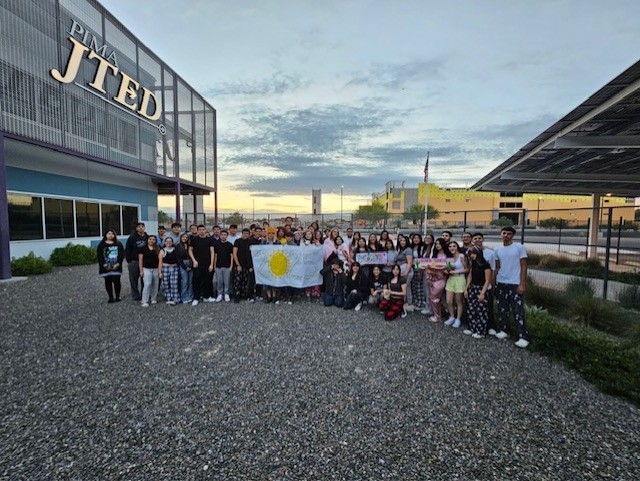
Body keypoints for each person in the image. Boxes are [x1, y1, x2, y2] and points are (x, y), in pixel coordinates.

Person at [494, 226, 530, 348]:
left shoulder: (519, 248)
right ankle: (504, 330)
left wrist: (522, 283)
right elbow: (497, 267)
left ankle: (523, 336)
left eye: (509, 234)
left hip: (515, 283)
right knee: (502, 309)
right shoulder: (497, 249)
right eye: (504, 233)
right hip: (501, 282)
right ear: (501, 234)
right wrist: (494, 282)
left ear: (513, 236)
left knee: (518, 311)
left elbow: (524, 266)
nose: (506, 235)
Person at [464, 245, 492, 338]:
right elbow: (470, 276)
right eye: (470, 254)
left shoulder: (486, 265)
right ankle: (472, 328)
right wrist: (466, 289)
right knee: (471, 309)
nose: (472, 256)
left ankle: (481, 331)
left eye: (473, 253)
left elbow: (488, 280)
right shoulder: (473, 264)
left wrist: (482, 293)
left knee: (481, 311)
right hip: (472, 288)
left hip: (481, 288)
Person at [472, 232, 497, 335]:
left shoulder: (490, 253)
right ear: (472, 241)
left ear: (483, 239)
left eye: (479, 238)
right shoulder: (471, 253)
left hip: (487, 285)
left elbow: (493, 270)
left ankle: (491, 326)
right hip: (475, 285)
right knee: (475, 307)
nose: (478, 240)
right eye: (475, 239)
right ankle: (475, 326)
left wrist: (492, 285)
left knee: (488, 307)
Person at [444, 240, 469, 328]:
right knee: (449, 301)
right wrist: (447, 271)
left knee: (458, 301)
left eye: (454, 246)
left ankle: (458, 319)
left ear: (457, 247)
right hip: (451, 279)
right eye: (450, 247)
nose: (452, 248)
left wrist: (456, 271)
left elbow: (467, 269)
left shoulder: (461, 256)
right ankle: (452, 316)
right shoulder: (449, 257)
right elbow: (447, 269)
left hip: (460, 279)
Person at [188, 224, 215, 306]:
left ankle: (207, 297)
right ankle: (196, 298)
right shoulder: (194, 240)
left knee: (208, 281)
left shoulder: (209, 240)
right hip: (197, 264)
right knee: (196, 281)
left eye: (203, 229)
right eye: (199, 230)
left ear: (205, 230)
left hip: (207, 264)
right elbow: (190, 250)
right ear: (197, 230)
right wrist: (194, 261)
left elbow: (212, 252)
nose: (201, 231)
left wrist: (211, 264)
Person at [97, 229, 125, 303]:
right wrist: (105, 265)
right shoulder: (101, 244)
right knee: (108, 282)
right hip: (106, 267)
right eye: (108, 233)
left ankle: (118, 296)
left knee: (117, 282)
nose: (110, 235)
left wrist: (118, 264)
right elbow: (100, 256)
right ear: (105, 235)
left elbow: (121, 255)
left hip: (116, 266)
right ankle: (110, 297)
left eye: (112, 233)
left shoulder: (118, 244)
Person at [426, 238, 451, 322]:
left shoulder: (447, 255)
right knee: (432, 297)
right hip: (432, 279)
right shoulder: (433, 255)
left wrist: (441, 270)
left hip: (441, 279)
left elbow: (449, 269)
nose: (437, 245)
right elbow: (428, 267)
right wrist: (429, 277)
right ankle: (437, 314)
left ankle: (438, 317)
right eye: (436, 244)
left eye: (439, 244)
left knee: (434, 297)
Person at [125, 222, 148, 301]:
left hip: (145, 261)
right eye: (139, 226)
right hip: (134, 261)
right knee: (133, 280)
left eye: (142, 226)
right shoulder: (132, 237)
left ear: (144, 228)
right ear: (136, 228)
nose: (141, 228)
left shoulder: (147, 237)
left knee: (144, 280)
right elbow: (127, 249)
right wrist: (129, 261)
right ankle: (135, 295)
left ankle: (144, 294)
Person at [138, 235, 160, 307]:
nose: (152, 241)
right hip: (146, 268)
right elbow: (140, 260)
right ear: (147, 240)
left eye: (153, 239)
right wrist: (141, 270)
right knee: (147, 284)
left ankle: (153, 298)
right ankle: (144, 300)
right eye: (150, 239)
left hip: (156, 268)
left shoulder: (158, 248)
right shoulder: (143, 248)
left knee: (155, 284)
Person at [232, 228, 253, 302]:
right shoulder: (237, 241)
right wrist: (238, 265)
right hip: (238, 264)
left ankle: (243, 294)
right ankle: (236, 296)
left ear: (249, 234)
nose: (245, 234)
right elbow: (234, 253)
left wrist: (250, 266)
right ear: (242, 233)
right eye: (244, 233)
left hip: (247, 265)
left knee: (245, 281)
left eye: (247, 233)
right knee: (237, 281)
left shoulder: (250, 242)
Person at [158, 236, 180, 305]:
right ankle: (168, 298)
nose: (168, 243)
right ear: (165, 242)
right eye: (167, 241)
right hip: (165, 268)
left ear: (172, 242)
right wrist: (160, 272)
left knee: (174, 284)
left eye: (170, 241)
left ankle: (175, 298)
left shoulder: (175, 249)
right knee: (166, 284)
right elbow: (160, 262)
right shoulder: (162, 251)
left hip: (174, 268)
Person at [214, 229, 234, 302]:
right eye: (222, 235)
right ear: (220, 235)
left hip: (227, 266)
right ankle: (219, 294)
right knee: (219, 281)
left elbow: (232, 256)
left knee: (227, 281)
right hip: (218, 266)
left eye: (224, 235)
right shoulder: (217, 245)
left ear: (227, 236)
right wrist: (214, 266)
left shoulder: (230, 245)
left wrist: (231, 266)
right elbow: (215, 256)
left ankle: (226, 294)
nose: (223, 236)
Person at [395, 235, 414, 310]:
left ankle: (408, 303)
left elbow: (409, 262)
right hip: (401, 269)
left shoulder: (408, 249)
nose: (402, 242)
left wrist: (406, 272)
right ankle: (407, 302)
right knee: (407, 287)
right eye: (401, 240)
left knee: (405, 287)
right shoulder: (401, 250)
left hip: (406, 269)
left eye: (404, 240)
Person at [176, 233, 193, 304]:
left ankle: (190, 296)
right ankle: (184, 297)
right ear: (181, 237)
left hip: (191, 263)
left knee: (190, 281)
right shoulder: (178, 246)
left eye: (186, 237)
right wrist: (184, 267)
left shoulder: (190, 246)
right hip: (183, 264)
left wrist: (191, 266)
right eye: (183, 237)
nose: (185, 238)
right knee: (184, 281)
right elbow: (178, 258)